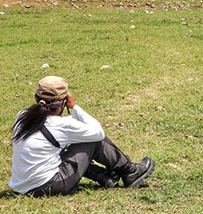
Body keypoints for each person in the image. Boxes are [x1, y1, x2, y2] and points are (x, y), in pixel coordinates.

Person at [9, 76, 154, 196]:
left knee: (62, 150)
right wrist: (74, 106)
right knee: (94, 142)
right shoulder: (62, 125)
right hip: (48, 187)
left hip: (21, 187)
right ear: (63, 102)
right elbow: (98, 133)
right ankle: (131, 172)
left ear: (36, 98)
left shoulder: (21, 116)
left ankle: (104, 176)